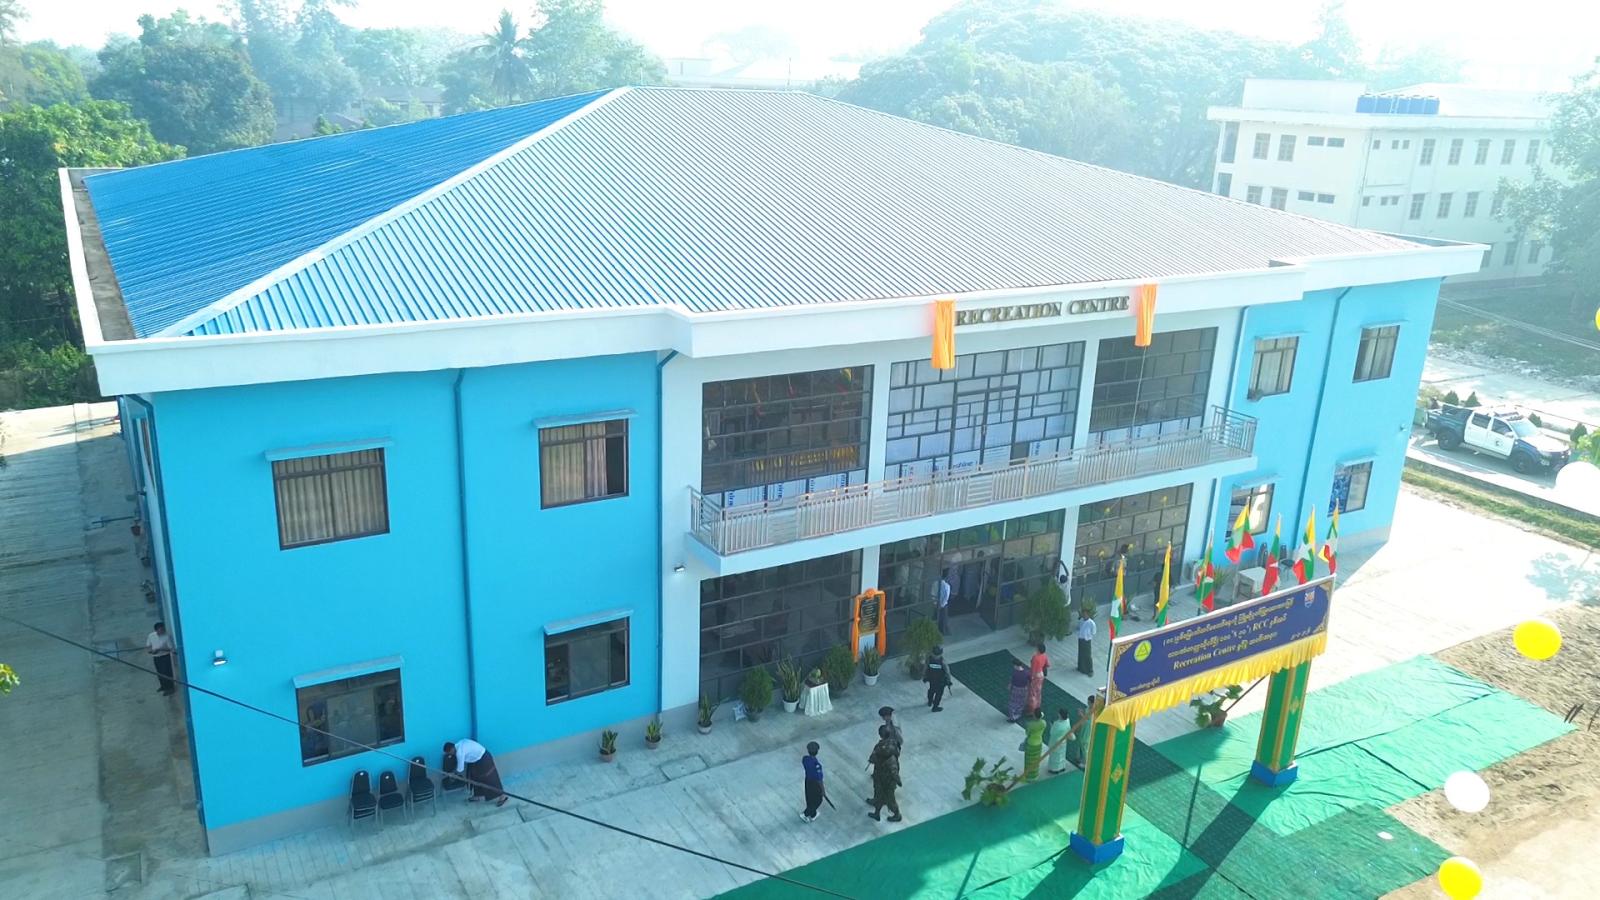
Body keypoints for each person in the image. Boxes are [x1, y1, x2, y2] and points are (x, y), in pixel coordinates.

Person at [444, 738, 507, 807]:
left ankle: (502, 796)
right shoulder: (461, 742)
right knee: (475, 778)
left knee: (490, 779)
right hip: (476, 760)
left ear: (452, 749)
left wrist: (452, 774)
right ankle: (477, 796)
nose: (451, 754)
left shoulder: (460, 753)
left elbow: (460, 769)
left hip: (484, 759)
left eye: (449, 753)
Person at [867, 725, 903, 822]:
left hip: (887, 780)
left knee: (890, 799)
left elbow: (894, 771)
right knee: (878, 794)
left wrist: (897, 780)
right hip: (880, 776)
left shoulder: (887, 753)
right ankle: (877, 813)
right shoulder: (886, 746)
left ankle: (897, 814)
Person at [1066, 694, 1101, 769]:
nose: (1088, 704)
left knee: (1084, 743)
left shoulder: (1094, 710)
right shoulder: (1089, 708)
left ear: (1092, 703)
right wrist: (1082, 712)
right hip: (1084, 726)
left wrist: (1081, 714)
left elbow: (1088, 719)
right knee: (1080, 741)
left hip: (1088, 728)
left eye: (1089, 703)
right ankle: (1079, 757)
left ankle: (1086, 762)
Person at [146, 621, 175, 696]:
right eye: (161, 629)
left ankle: (170, 688)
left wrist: (160, 649)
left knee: (167, 672)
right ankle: (163, 686)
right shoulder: (151, 636)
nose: (163, 631)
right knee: (159, 672)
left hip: (165, 656)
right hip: (156, 657)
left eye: (163, 629)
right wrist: (151, 651)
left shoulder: (167, 637)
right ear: (156, 630)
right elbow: (148, 646)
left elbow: (170, 648)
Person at [801, 741, 825, 822]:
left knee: (810, 798)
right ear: (817, 752)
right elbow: (819, 779)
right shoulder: (817, 765)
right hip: (815, 784)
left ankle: (813, 814)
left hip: (807, 781)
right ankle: (806, 814)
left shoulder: (805, 759)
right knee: (818, 800)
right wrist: (823, 790)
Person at [1021, 708, 1047, 781]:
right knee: (1036, 760)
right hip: (1039, 742)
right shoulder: (1043, 723)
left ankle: (1028, 776)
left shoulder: (1030, 724)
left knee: (1029, 760)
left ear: (1034, 716)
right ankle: (1035, 775)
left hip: (1031, 743)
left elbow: (1027, 733)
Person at [1046, 707, 1073, 775]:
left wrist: (1051, 726)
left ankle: (1054, 769)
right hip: (1063, 741)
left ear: (1060, 715)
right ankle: (1062, 767)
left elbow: (1052, 732)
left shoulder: (1057, 724)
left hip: (1056, 742)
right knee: (1062, 755)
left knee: (1055, 756)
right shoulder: (1067, 721)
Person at [923, 646, 951, 712]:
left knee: (931, 690)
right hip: (940, 680)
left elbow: (925, 668)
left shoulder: (929, 659)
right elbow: (947, 672)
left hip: (931, 679)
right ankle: (935, 707)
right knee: (939, 694)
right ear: (941, 653)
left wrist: (924, 677)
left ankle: (930, 702)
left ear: (932, 652)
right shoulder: (942, 661)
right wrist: (949, 680)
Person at [1027, 643, 1049, 716]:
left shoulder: (1035, 657)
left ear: (1038, 649)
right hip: (1041, 675)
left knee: (1033, 693)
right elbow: (1047, 664)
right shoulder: (1045, 655)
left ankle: (1032, 710)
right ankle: (1037, 707)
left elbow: (1033, 669)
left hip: (1035, 676)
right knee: (1038, 692)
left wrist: (1031, 677)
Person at [1006, 658, 1030, 723]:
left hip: (1016, 689)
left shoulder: (1015, 673)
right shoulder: (1027, 672)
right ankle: (1018, 713)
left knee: (1013, 702)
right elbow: (1030, 680)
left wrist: (1009, 687)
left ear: (1015, 665)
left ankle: (1012, 716)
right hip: (1024, 689)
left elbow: (1012, 682)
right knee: (1021, 702)